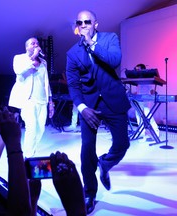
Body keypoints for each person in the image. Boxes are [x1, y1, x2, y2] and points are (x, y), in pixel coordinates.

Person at [66, 10, 131, 214]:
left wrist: (92, 45)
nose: (83, 24)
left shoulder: (109, 38)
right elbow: (73, 85)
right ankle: (89, 192)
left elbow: (114, 60)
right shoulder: (72, 53)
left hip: (113, 100)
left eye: (88, 21)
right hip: (89, 106)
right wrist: (83, 108)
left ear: (96, 24)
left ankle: (105, 163)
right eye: (80, 22)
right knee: (86, 149)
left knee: (122, 144)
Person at [8, 37, 55, 158]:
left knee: (40, 130)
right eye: (32, 43)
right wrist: (33, 56)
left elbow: (46, 83)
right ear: (26, 47)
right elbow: (18, 71)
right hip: (28, 100)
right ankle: (27, 157)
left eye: (37, 43)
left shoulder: (43, 62)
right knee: (32, 128)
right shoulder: (19, 58)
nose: (35, 45)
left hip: (42, 100)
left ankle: (31, 151)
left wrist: (50, 102)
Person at [131, 63, 160, 141]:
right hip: (139, 99)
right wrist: (133, 93)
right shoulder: (137, 78)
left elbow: (150, 89)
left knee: (147, 114)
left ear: (143, 69)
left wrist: (153, 92)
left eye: (138, 69)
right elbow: (138, 90)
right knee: (138, 115)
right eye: (136, 69)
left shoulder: (147, 77)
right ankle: (141, 133)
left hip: (146, 99)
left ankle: (156, 132)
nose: (137, 71)